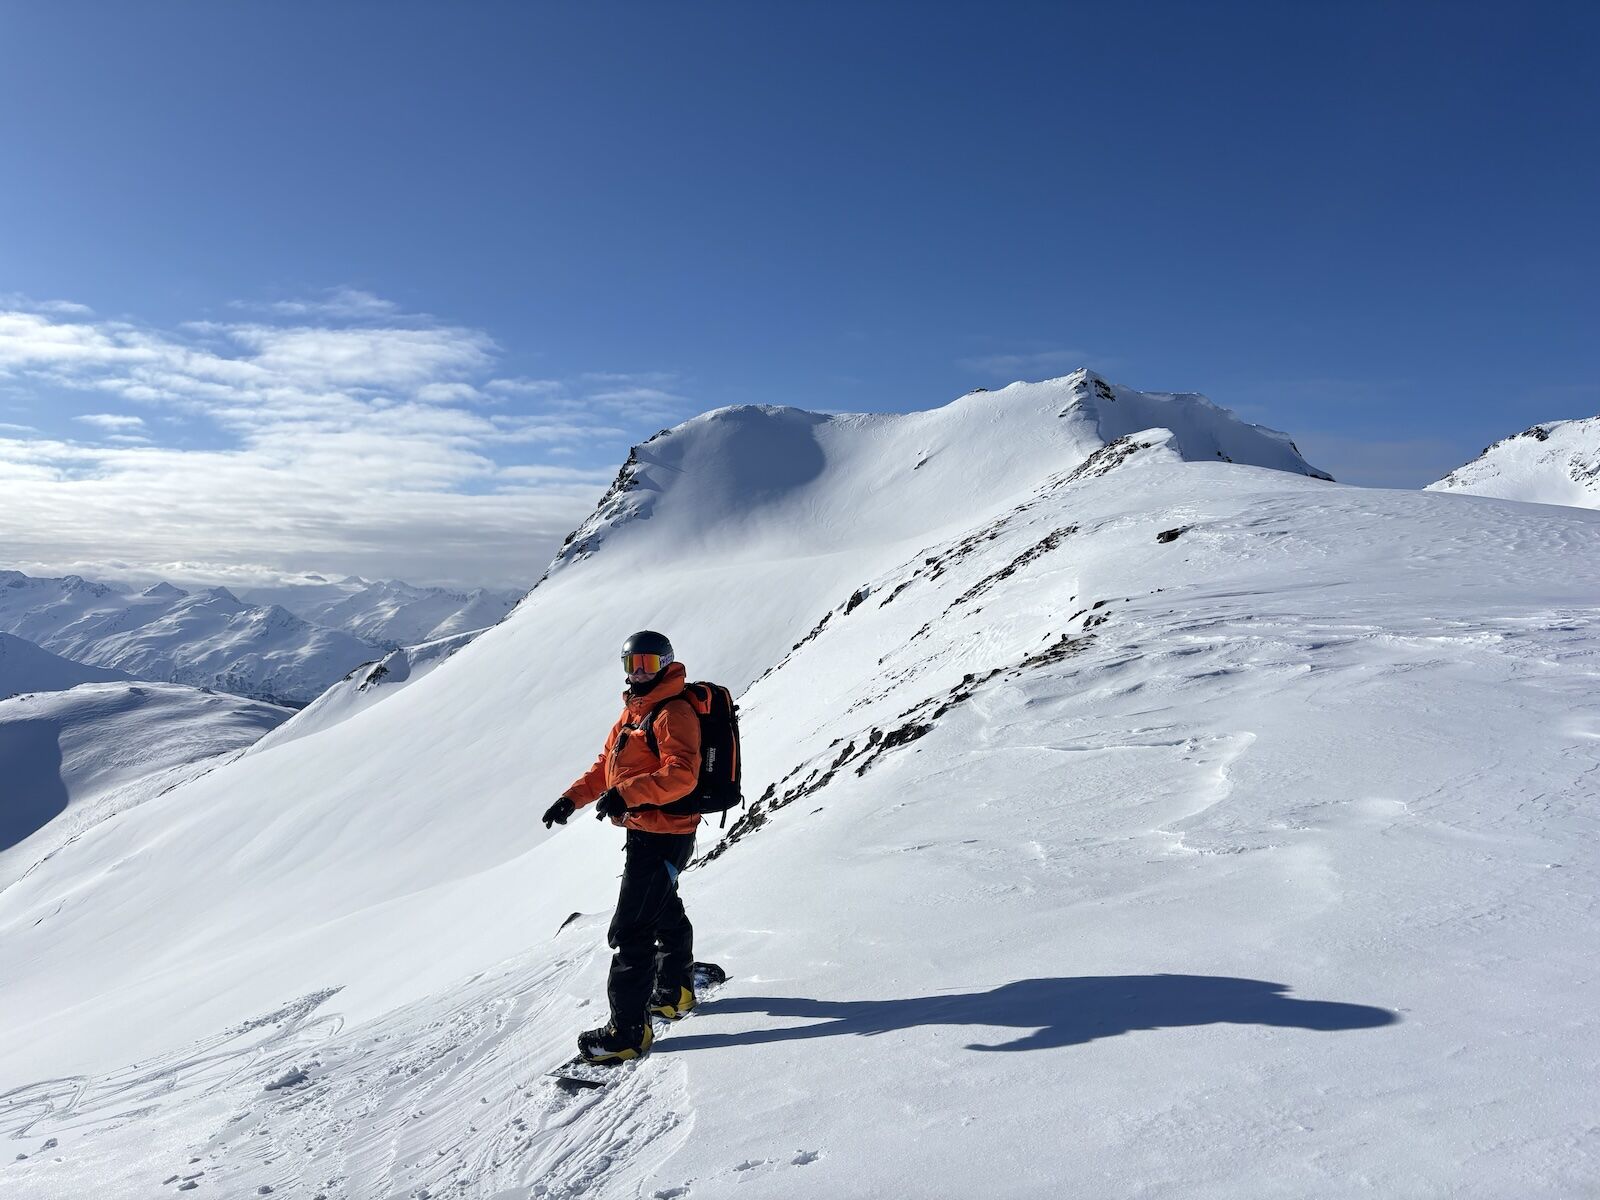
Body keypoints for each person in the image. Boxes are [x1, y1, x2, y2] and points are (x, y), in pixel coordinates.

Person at [542, 630, 703, 1064]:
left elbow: (683, 774)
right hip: (647, 831)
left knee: (632, 931)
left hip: (665, 832)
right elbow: (605, 767)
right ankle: (676, 990)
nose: (638, 673)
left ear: (666, 664)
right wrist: (571, 798)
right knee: (663, 908)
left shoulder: (673, 712)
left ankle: (628, 1033)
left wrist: (627, 794)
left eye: (648, 665)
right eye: (632, 665)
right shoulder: (635, 714)